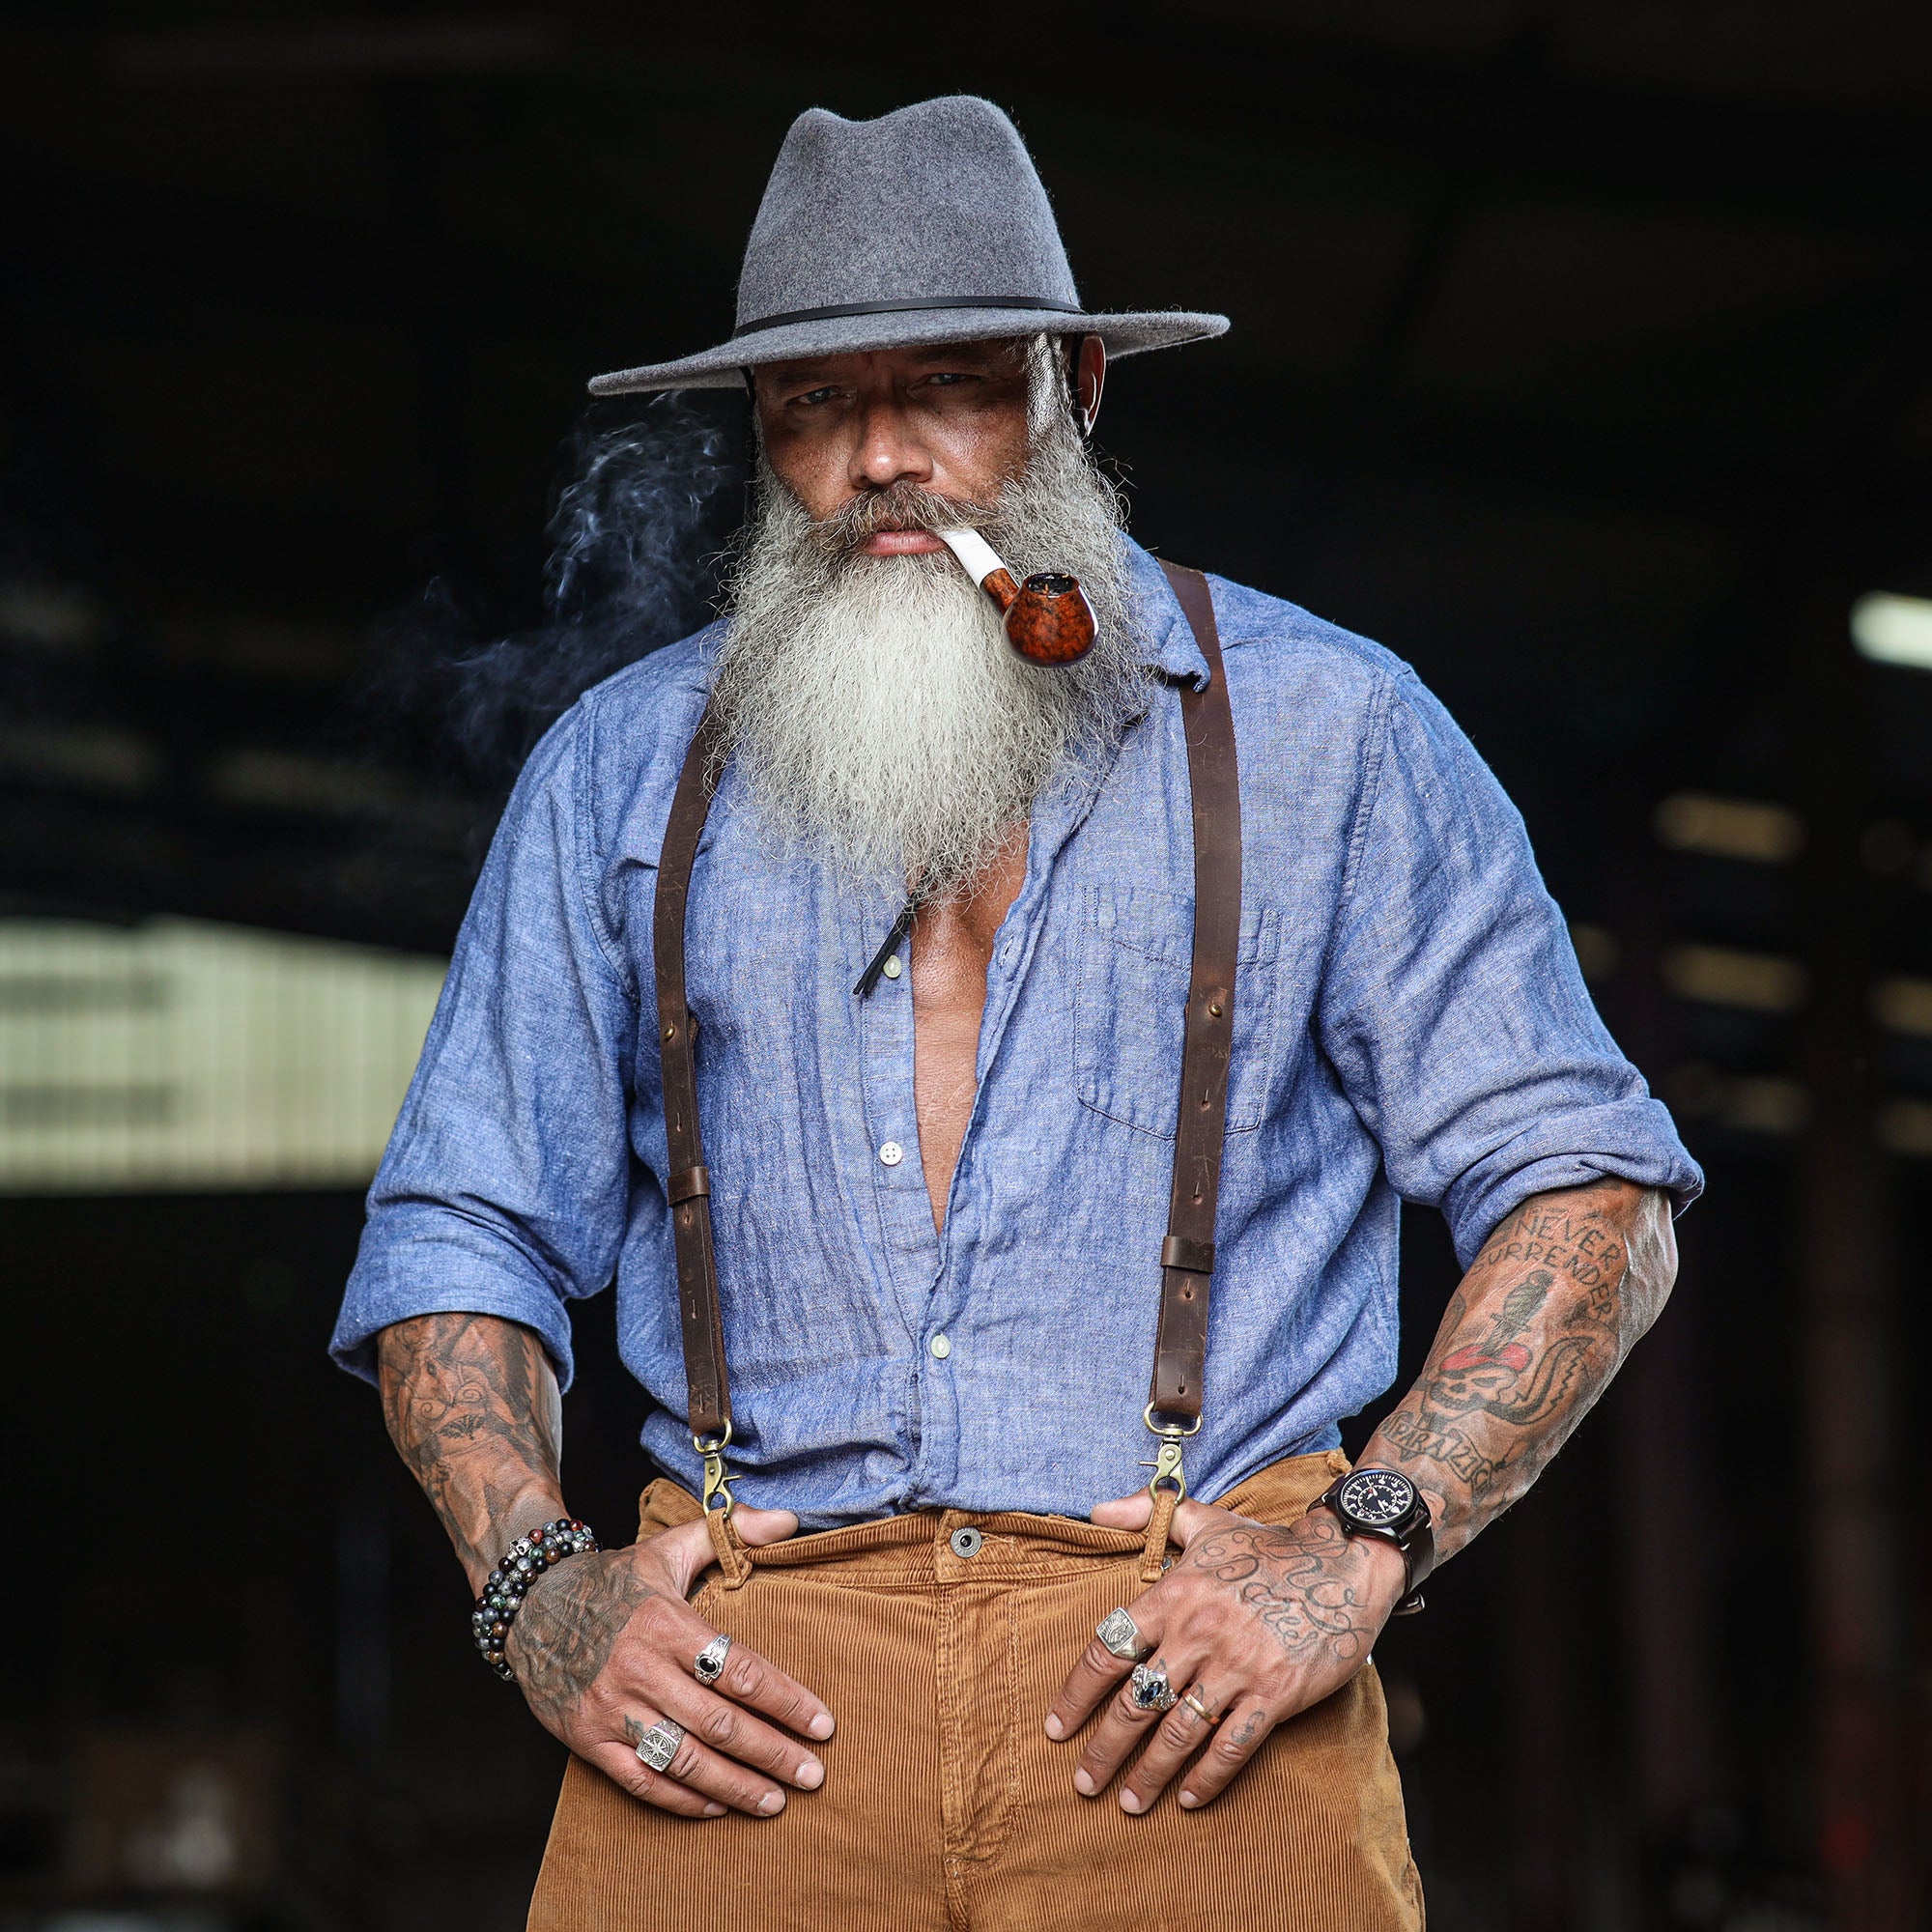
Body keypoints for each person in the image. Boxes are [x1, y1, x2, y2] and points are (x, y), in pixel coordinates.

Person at [330, 96, 1700, 1930]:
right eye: (814, 402)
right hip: (743, 1697)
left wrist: (1357, 1547)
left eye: (952, 387)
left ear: (1078, 389)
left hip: (1194, 1682)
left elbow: (1588, 1184)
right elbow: (459, 1226)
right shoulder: (619, 774)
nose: (881, 458)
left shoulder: (1332, 733)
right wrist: (534, 1592)